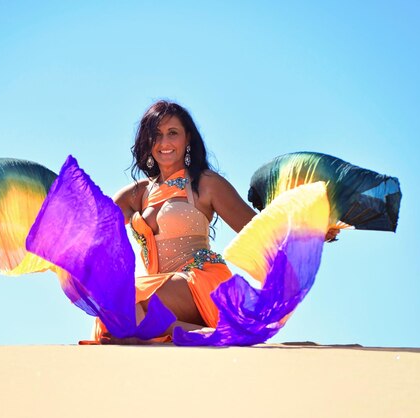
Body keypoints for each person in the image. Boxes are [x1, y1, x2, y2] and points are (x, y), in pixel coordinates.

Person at [98, 100, 338, 344]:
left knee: (131, 302)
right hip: (157, 288)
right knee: (110, 311)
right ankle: (199, 333)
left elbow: (257, 227)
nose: (164, 143)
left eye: (173, 133)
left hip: (201, 281)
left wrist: (310, 228)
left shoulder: (206, 184)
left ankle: (165, 331)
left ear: (187, 139)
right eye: (156, 135)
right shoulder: (135, 195)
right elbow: (95, 228)